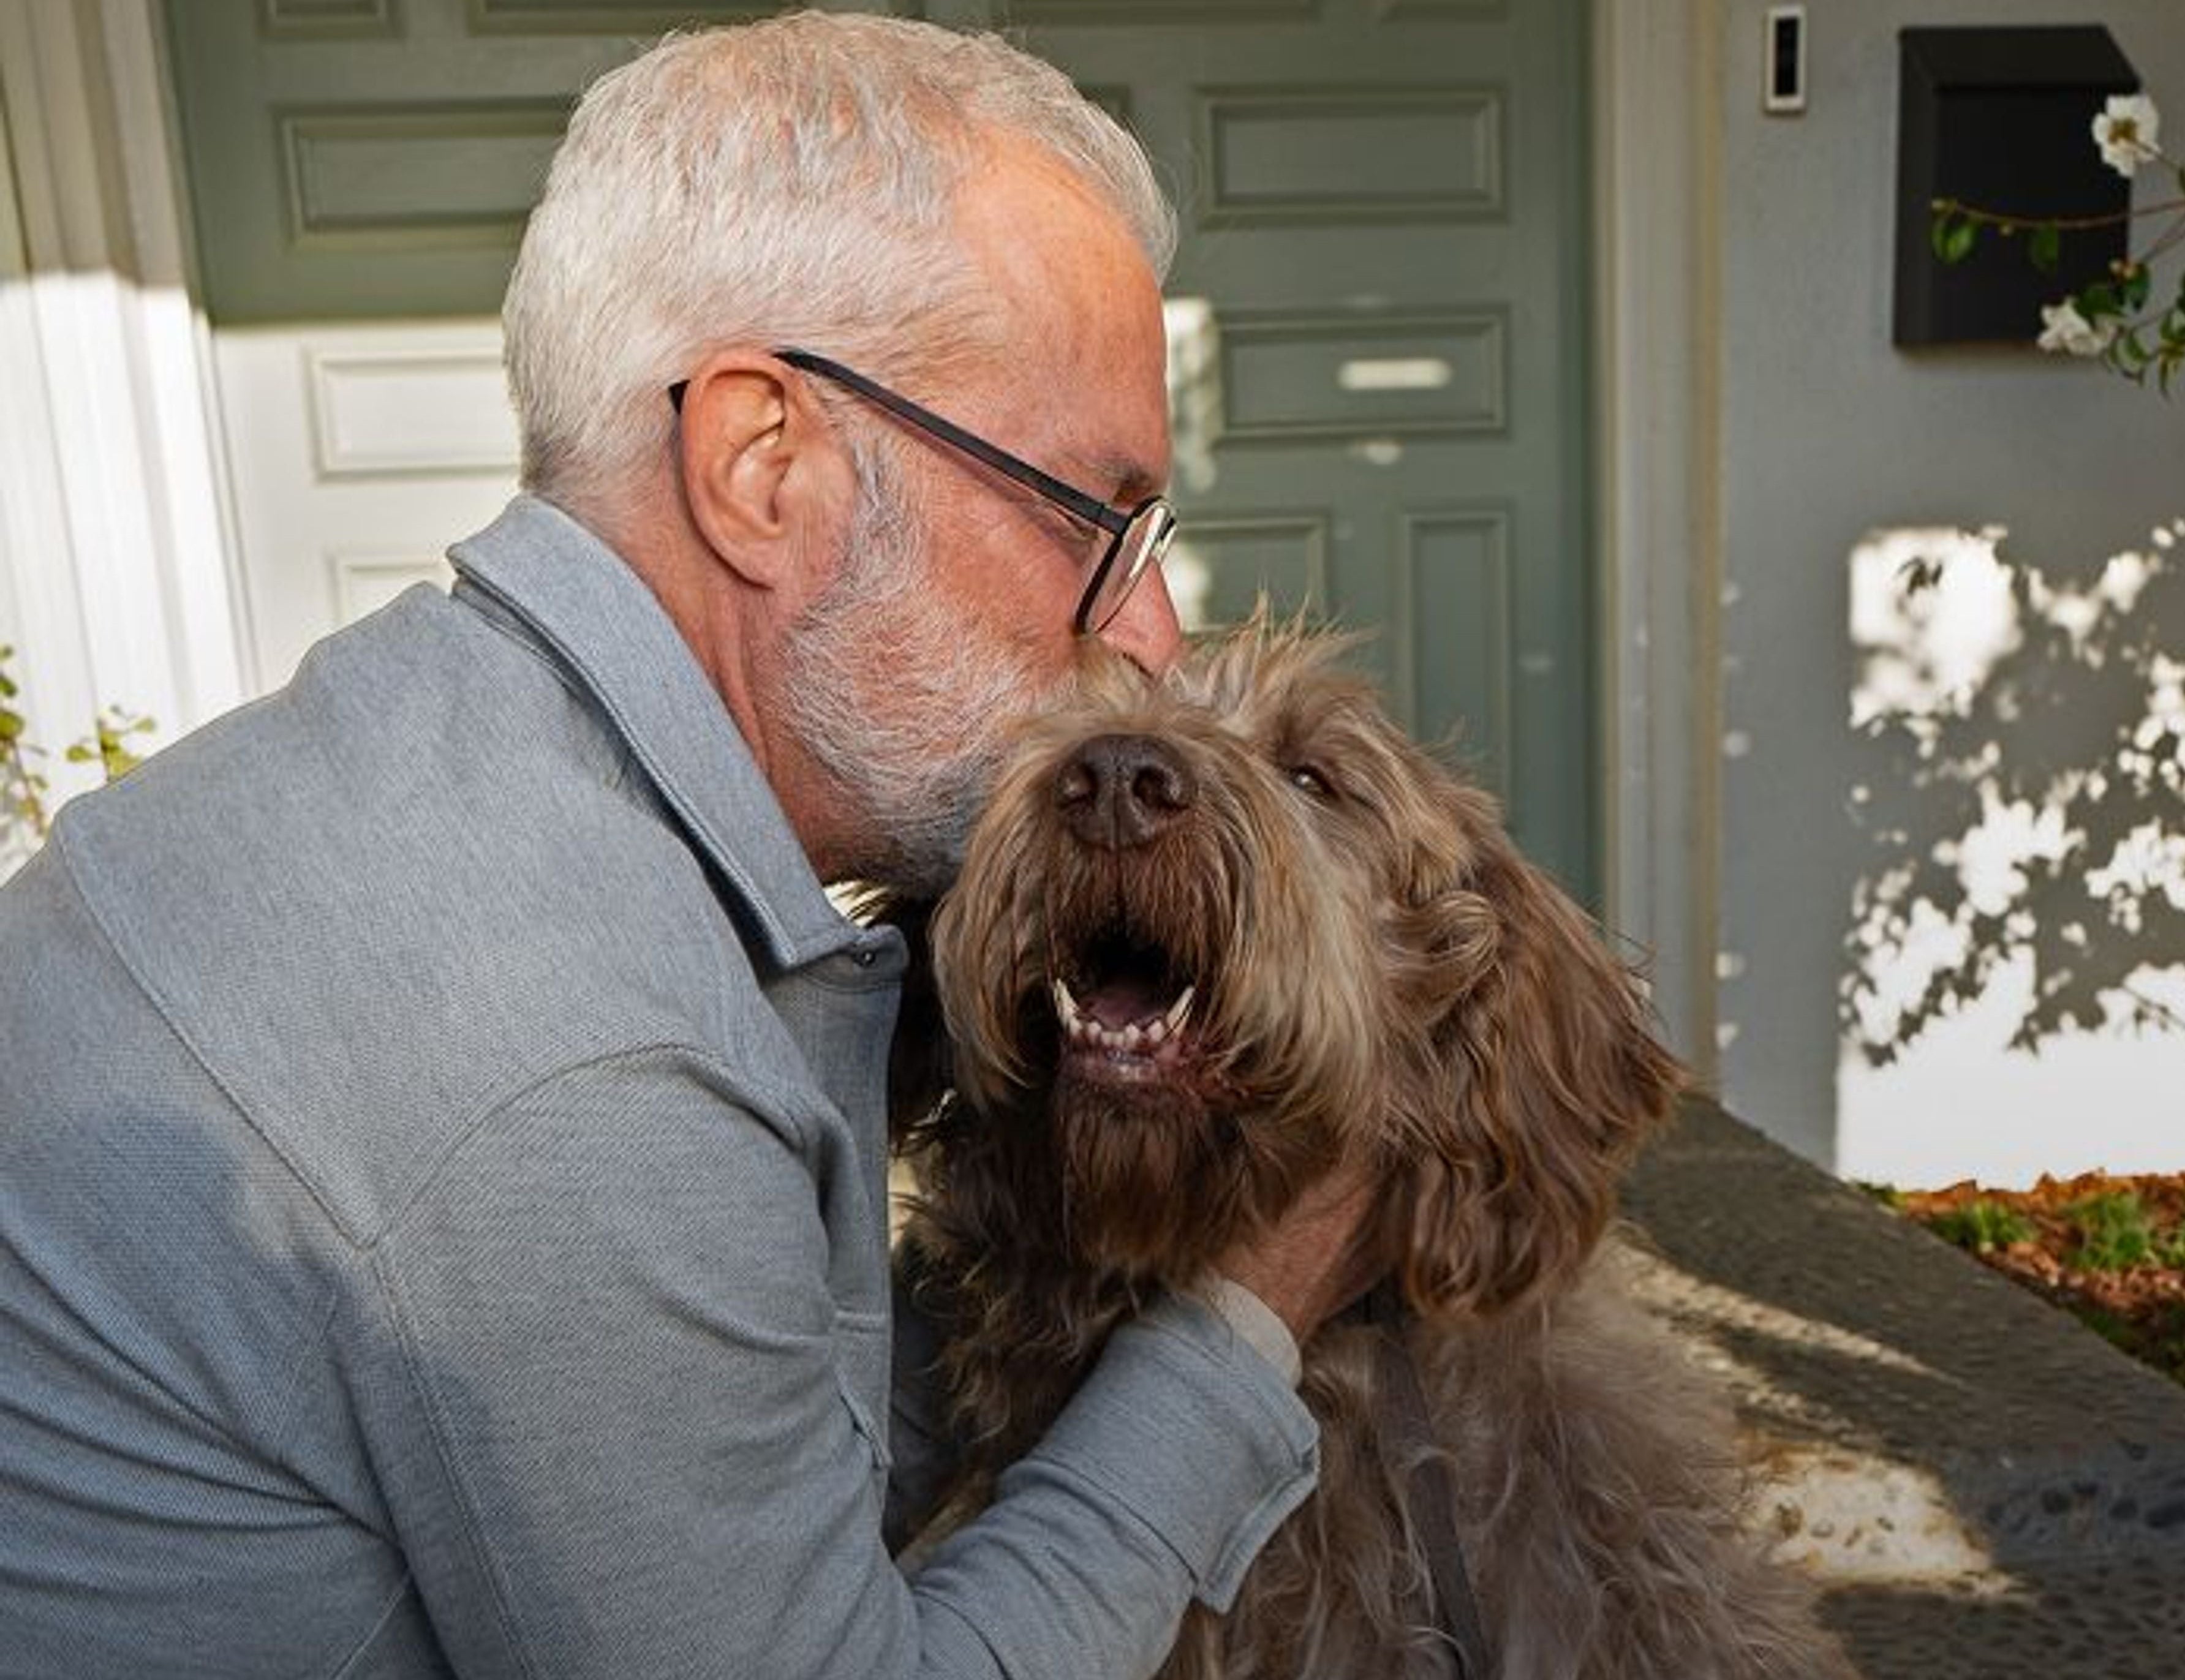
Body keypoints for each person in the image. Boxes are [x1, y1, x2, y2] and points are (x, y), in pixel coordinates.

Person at [0, 13, 1371, 1675]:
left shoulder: (431, 763)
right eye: (1095, 516)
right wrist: (1245, 1313)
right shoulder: (568, 1052)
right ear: (760, 466)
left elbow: (746, 1474)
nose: (1146, 633)